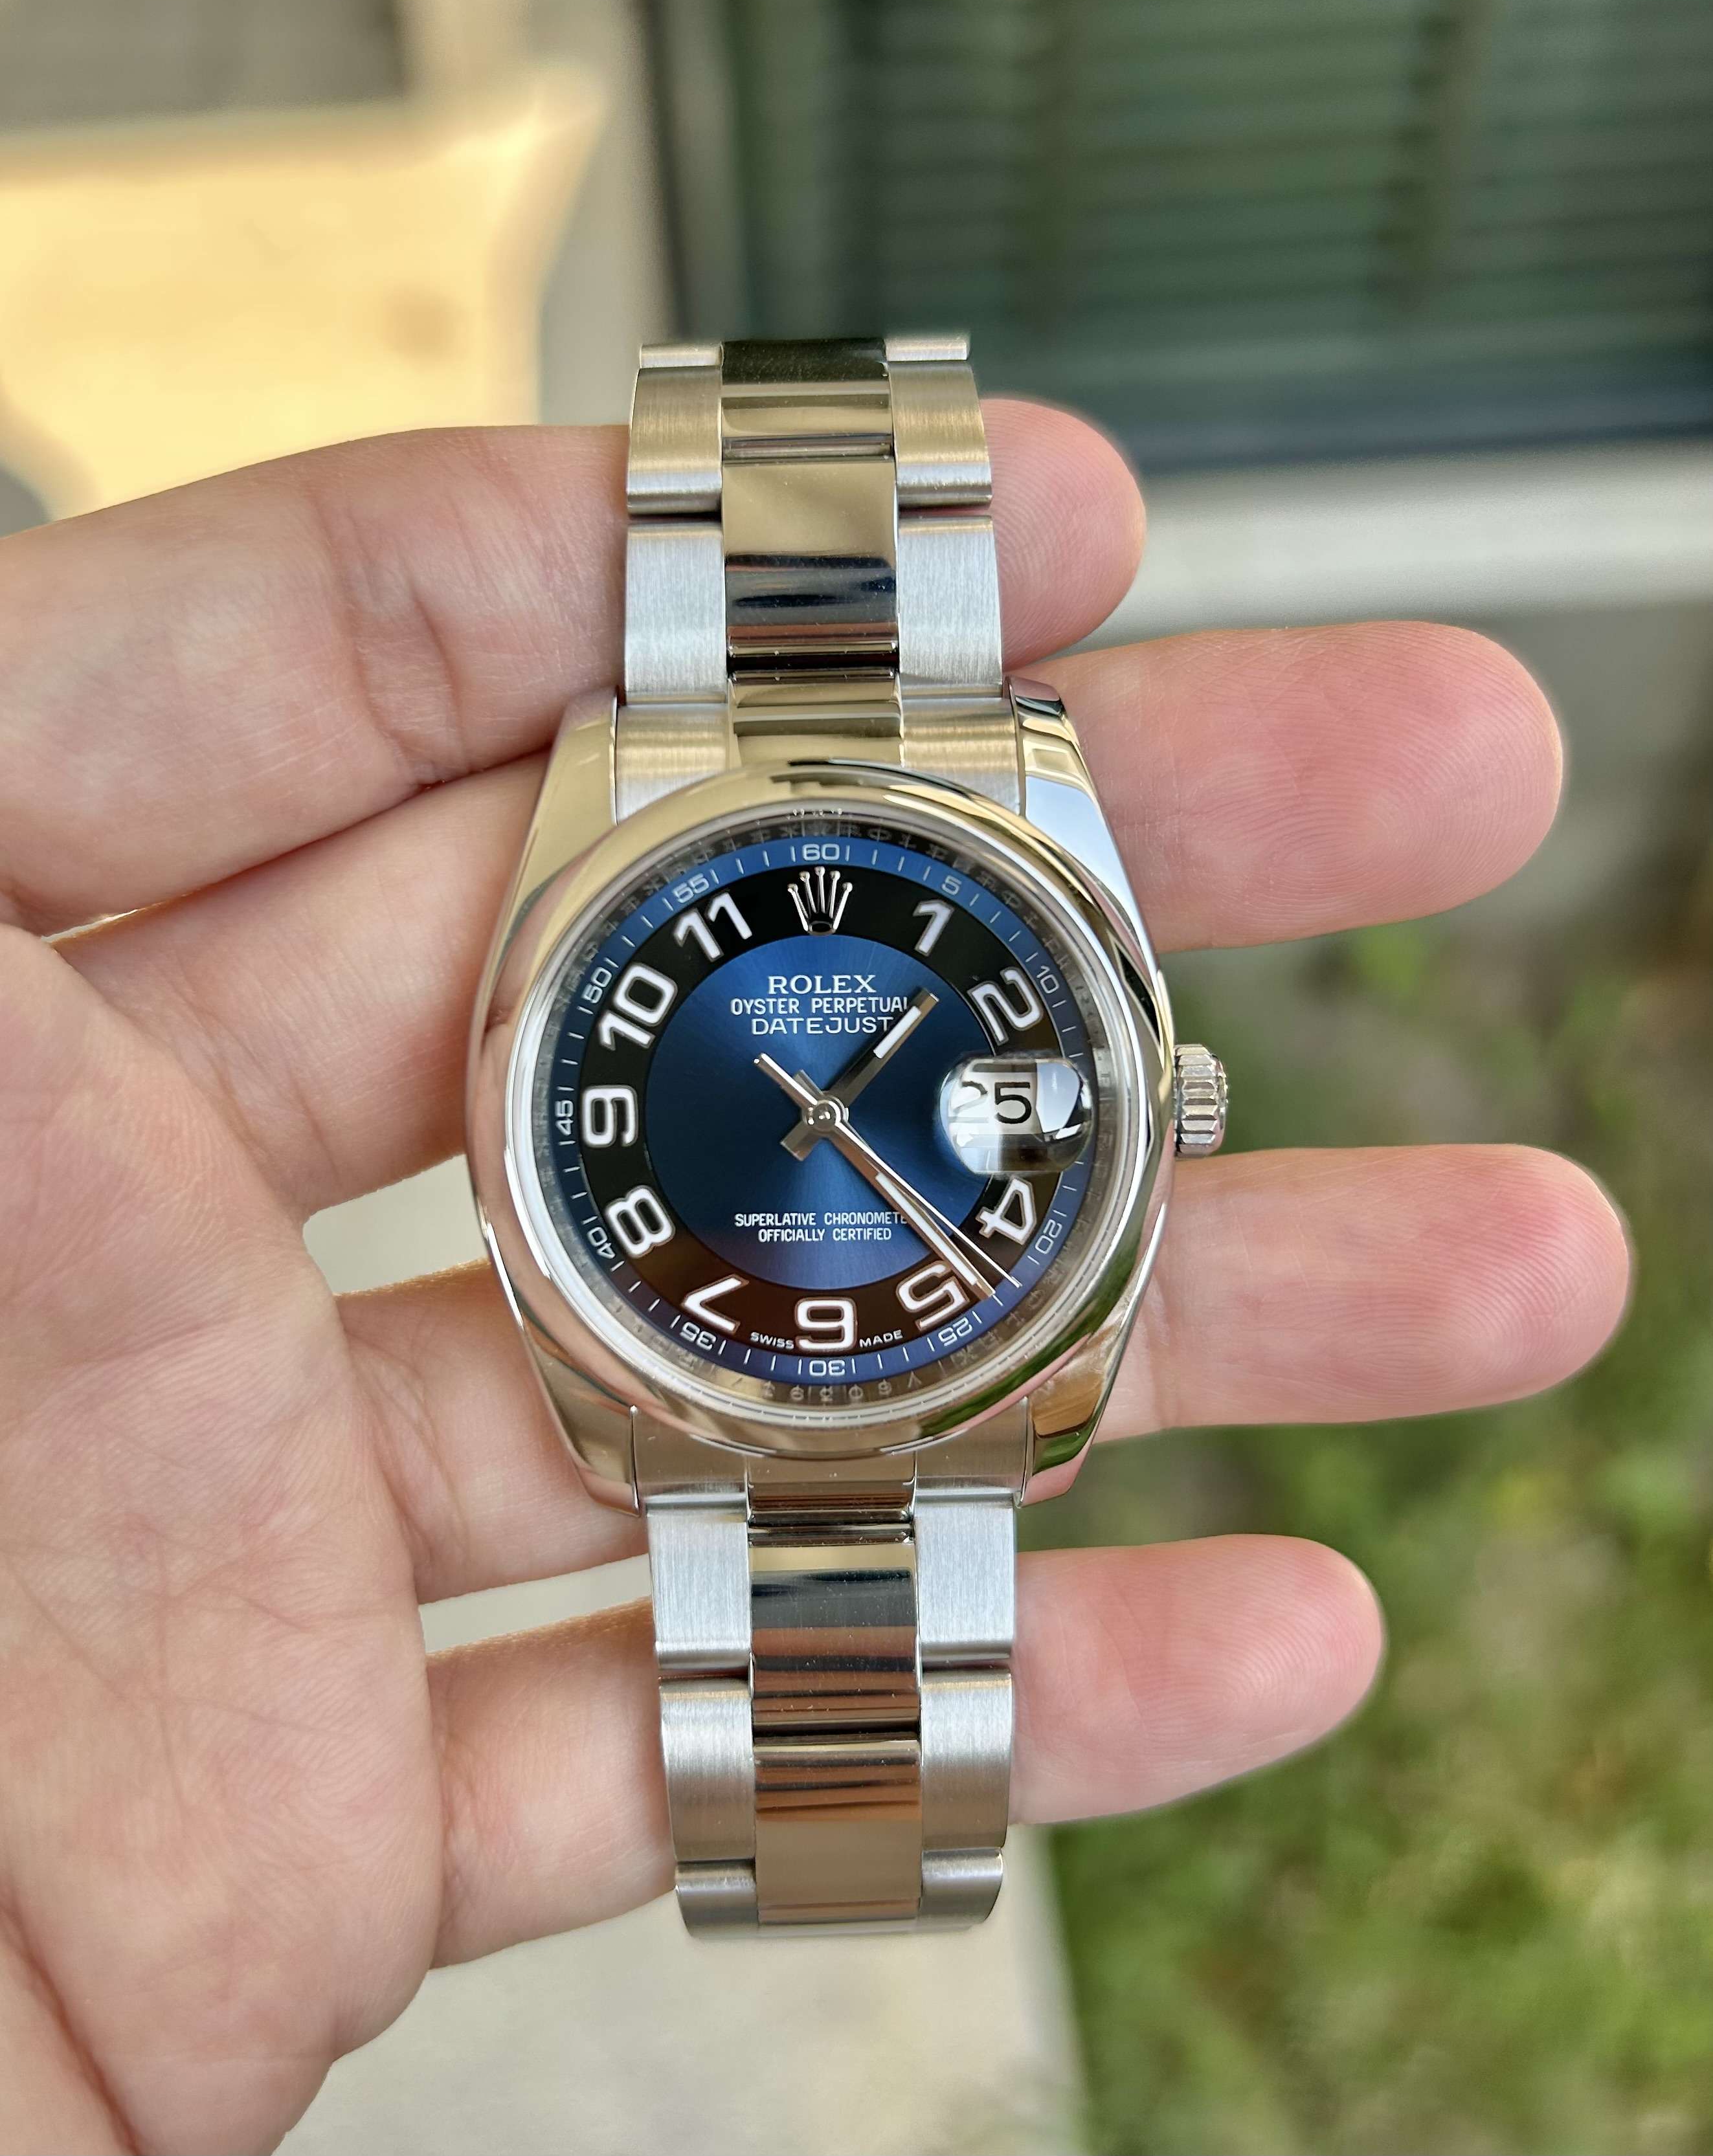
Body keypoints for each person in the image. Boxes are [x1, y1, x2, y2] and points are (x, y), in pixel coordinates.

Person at [0, 405, 1630, 2153]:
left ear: (1172, 1097)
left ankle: (832, 1834)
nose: (824, 1120)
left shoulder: (899, 934)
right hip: (713, 1343)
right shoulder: (707, 889)